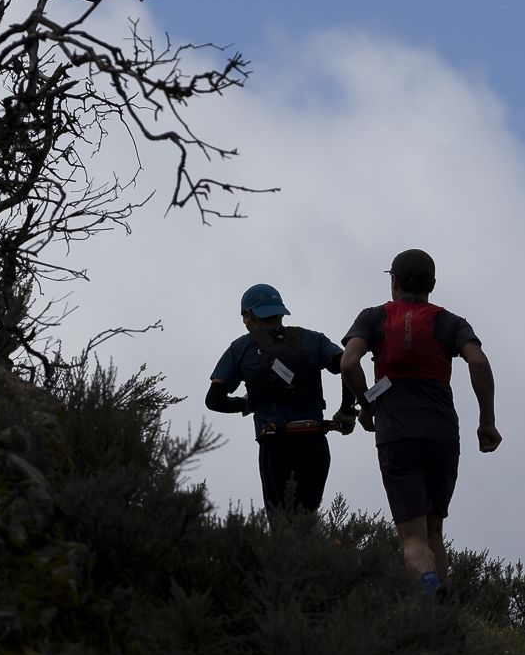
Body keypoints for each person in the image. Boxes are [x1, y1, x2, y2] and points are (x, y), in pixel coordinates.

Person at [339, 248, 500, 596]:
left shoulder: (373, 317)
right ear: (433, 284)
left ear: (393, 282)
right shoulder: (450, 322)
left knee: (411, 537)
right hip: (442, 435)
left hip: (397, 436)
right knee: (434, 531)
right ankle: (441, 607)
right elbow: (479, 363)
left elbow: (349, 362)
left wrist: (368, 403)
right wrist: (487, 421)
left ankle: (428, 589)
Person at [206, 282, 359, 512]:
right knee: (306, 523)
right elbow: (348, 364)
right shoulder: (312, 339)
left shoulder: (241, 348)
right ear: (279, 311)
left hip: (275, 444)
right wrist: (347, 409)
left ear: (249, 315)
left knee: (283, 530)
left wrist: (246, 403)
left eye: (244, 317)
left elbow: (214, 400)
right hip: (315, 444)